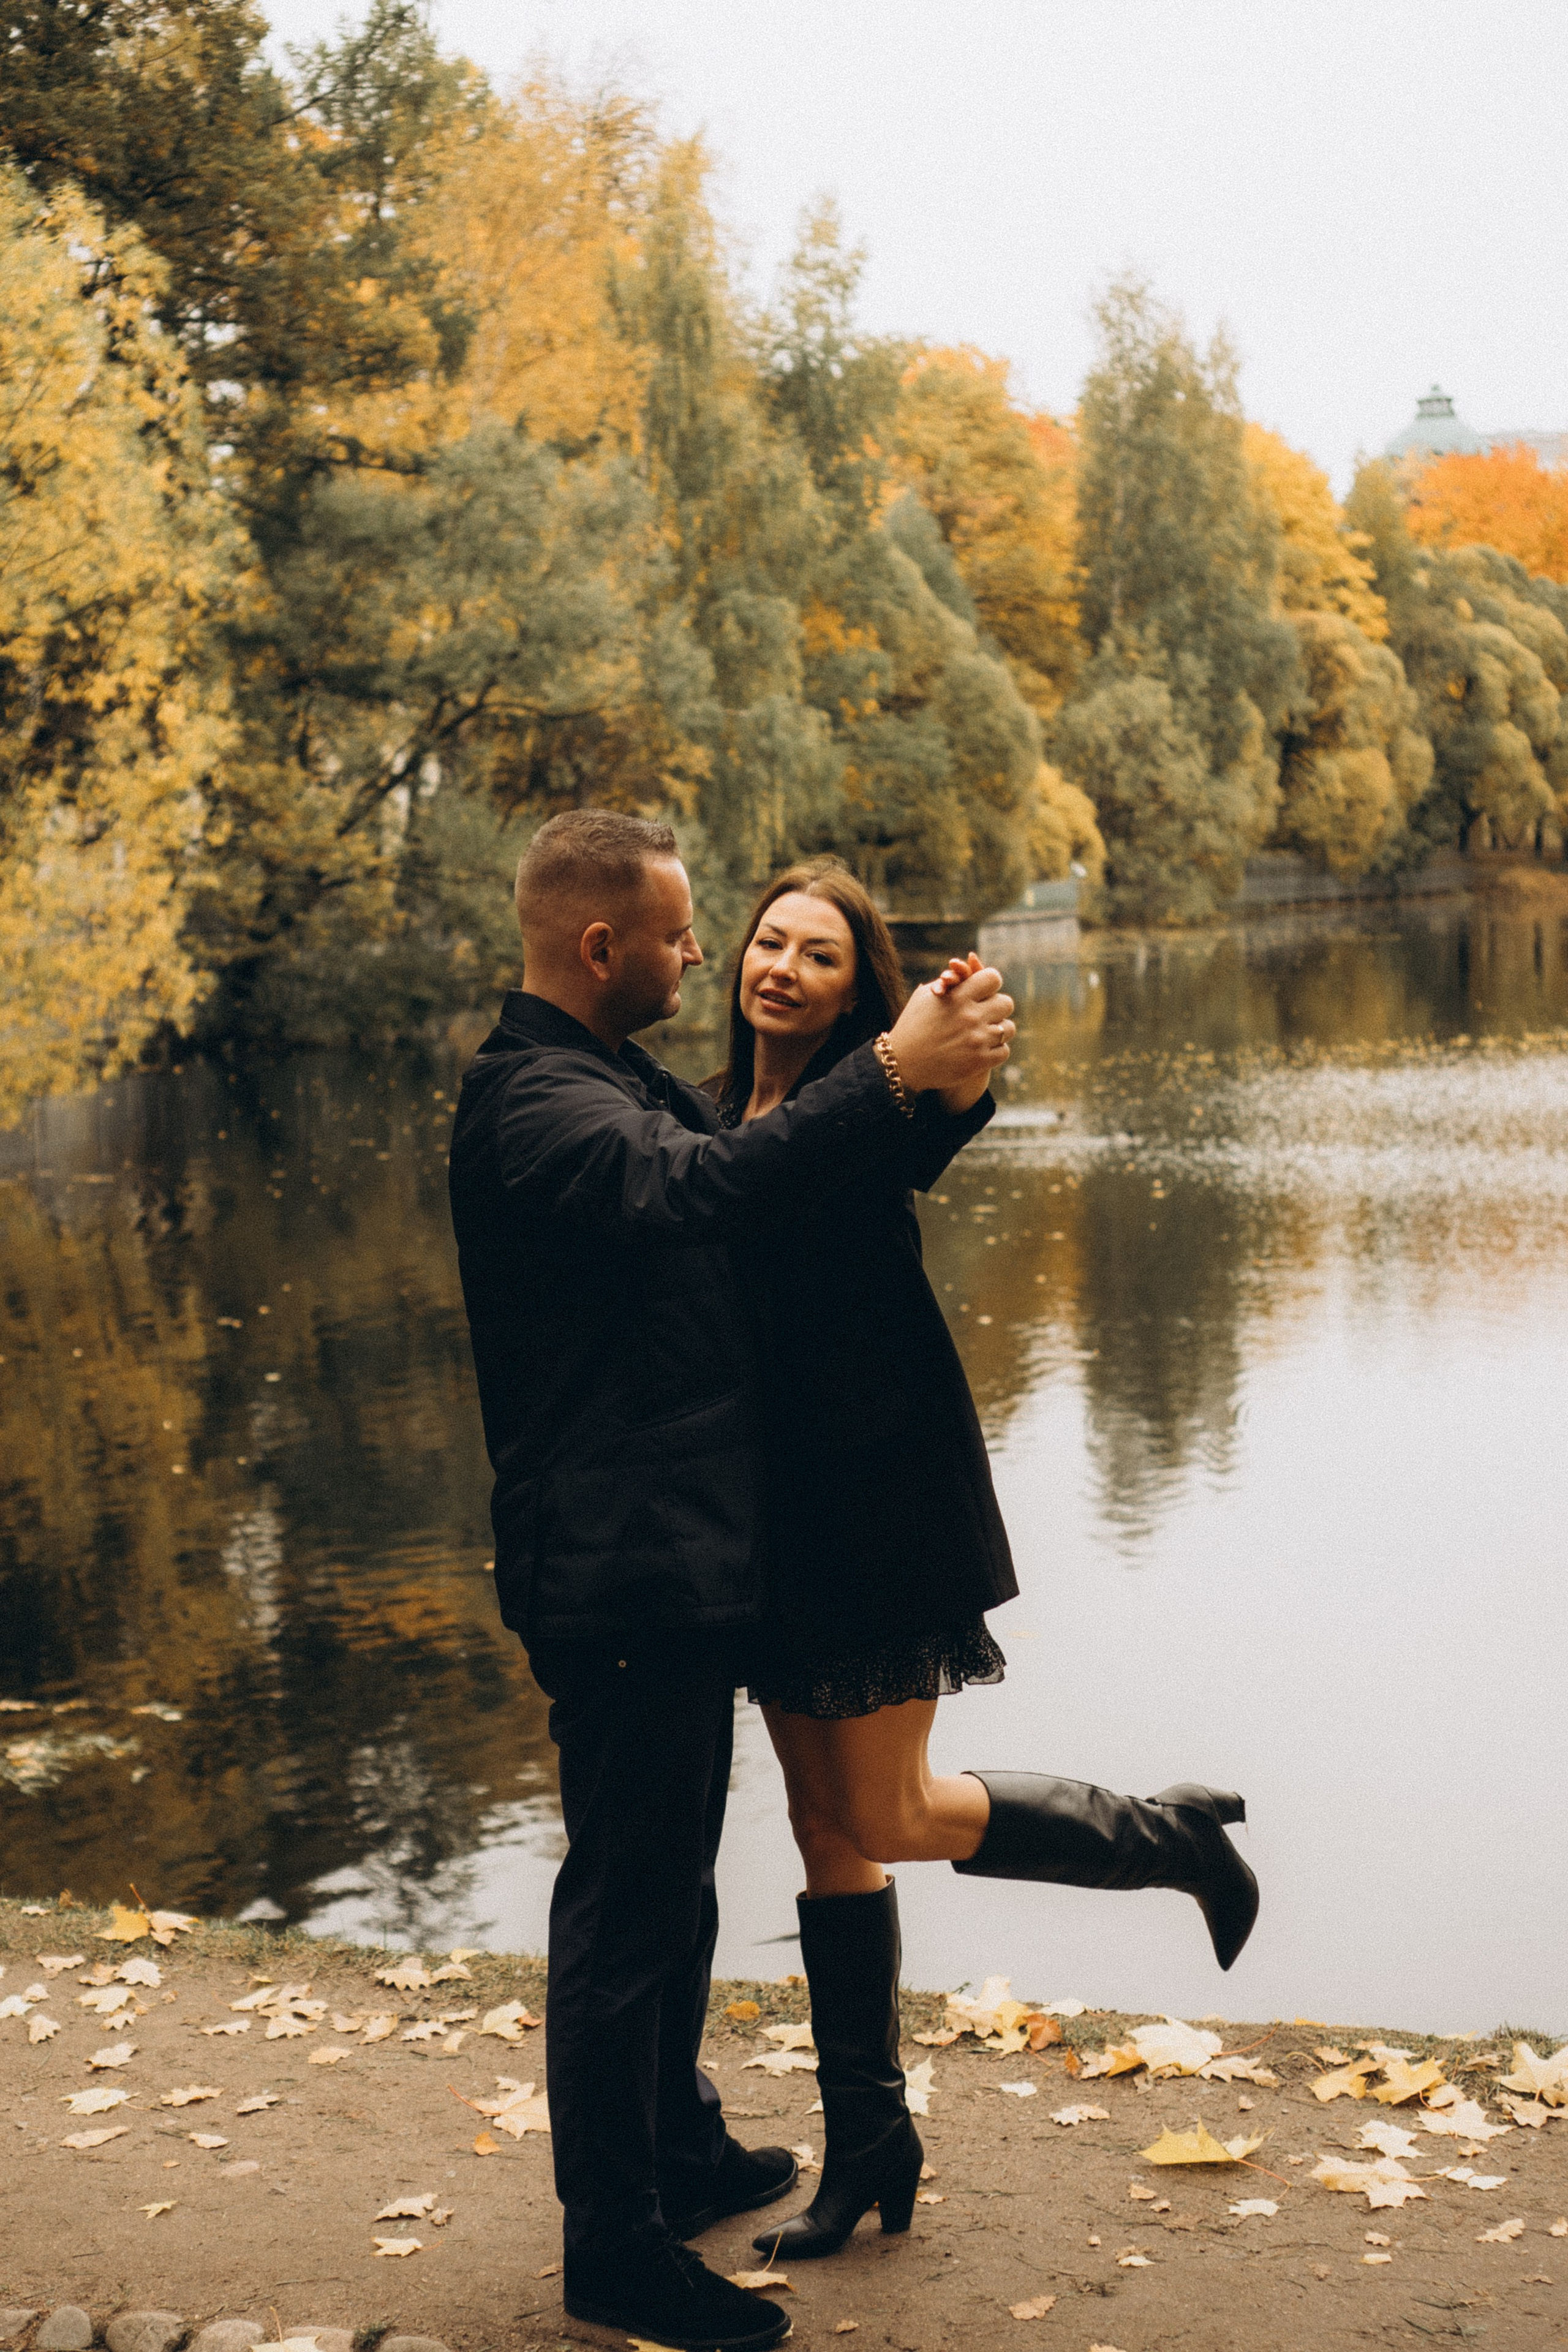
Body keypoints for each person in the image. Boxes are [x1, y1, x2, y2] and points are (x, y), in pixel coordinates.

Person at [447, 810, 1015, 2352]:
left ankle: (680, 2145)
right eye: (696, 933)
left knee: (673, 1892)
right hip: (618, 1573)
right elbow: (702, 1190)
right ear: (600, 947)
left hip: (678, 1563)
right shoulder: (538, 1106)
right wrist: (892, 1069)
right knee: (625, 1915)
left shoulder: (615, 1074)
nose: (712, 957)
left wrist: (935, 1083)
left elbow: (795, 1153)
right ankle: (614, 2250)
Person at [698, 861, 1260, 2264]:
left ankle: (1165, 1837)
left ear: (856, 996)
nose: (780, 967)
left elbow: (943, 1104)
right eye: (766, 942)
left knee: (882, 1816)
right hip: (767, 1526)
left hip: (881, 1505)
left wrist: (947, 1042)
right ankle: (868, 2143)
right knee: (825, 1834)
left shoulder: (879, 1108)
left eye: (818, 957)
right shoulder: (703, 1121)